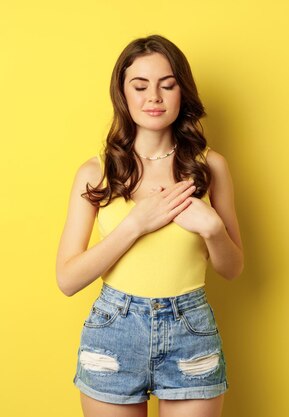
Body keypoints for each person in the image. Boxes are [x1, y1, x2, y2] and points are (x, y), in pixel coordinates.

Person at [56, 34, 244, 417]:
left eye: (167, 85)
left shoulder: (211, 167)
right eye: (140, 86)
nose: (153, 97)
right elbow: (68, 279)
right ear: (123, 95)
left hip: (190, 330)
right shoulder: (96, 172)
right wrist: (135, 225)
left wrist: (212, 229)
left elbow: (233, 268)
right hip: (114, 331)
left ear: (182, 92)